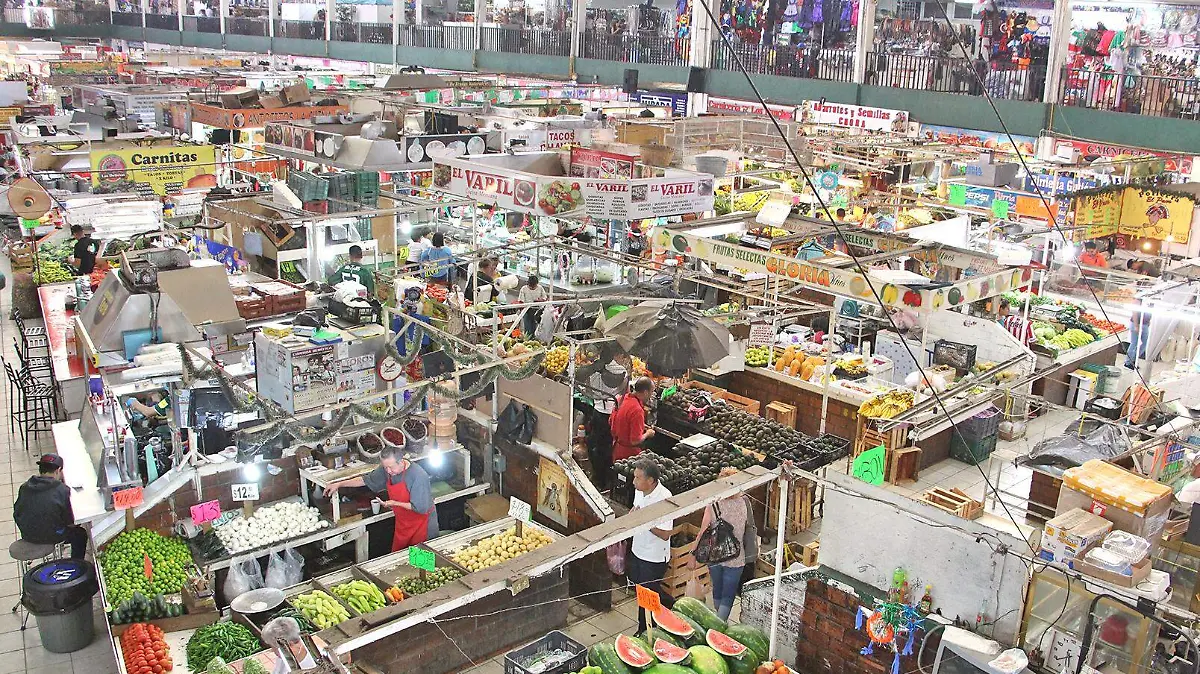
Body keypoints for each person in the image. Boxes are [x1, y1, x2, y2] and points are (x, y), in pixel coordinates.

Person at [324, 447, 438, 551]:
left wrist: (394, 503)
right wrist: (339, 484)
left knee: (421, 565)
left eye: (391, 467)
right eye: (385, 467)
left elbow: (420, 508)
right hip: (403, 524)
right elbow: (365, 480)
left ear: (401, 461)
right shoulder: (387, 469)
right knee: (400, 561)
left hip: (422, 525)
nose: (388, 471)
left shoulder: (418, 476)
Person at [689, 467, 749, 620]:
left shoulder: (713, 505)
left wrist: (693, 555)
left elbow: (702, 532)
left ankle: (718, 619)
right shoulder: (744, 503)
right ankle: (720, 622)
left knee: (717, 588)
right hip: (736, 556)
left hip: (715, 555)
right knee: (728, 594)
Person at [629, 459, 674, 635]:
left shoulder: (665, 499)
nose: (634, 481)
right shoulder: (639, 491)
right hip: (638, 550)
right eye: (634, 477)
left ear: (651, 481)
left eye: (638, 478)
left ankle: (645, 629)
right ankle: (671, 605)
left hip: (654, 557)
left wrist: (644, 521)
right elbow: (636, 508)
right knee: (642, 589)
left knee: (646, 596)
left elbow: (665, 534)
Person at [14, 454, 87, 559]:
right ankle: (76, 564)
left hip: (27, 534)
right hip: (51, 536)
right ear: (58, 470)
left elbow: (17, 512)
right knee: (80, 534)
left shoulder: (25, 487)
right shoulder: (62, 490)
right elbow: (69, 521)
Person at [587, 357, 628, 489]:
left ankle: (600, 478)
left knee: (597, 446)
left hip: (599, 412)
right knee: (606, 447)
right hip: (610, 413)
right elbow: (624, 393)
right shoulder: (621, 371)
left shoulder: (593, 369)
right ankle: (605, 479)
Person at [611, 376, 655, 462]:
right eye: (651, 392)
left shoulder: (622, 399)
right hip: (629, 456)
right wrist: (648, 434)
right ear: (645, 392)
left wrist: (641, 425)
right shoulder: (637, 410)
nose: (651, 396)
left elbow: (616, 420)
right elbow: (635, 441)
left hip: (616, 449)